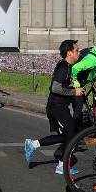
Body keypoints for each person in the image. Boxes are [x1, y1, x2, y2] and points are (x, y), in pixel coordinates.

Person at [23, 39, 84, 175]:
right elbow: (56, 88)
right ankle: (61, 165)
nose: (79, 53)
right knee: (71, 132)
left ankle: (33, 145)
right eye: (76, 50)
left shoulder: (68, 67)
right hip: (56, 107)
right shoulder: (63, 67)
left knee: (66, 136)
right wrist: (75, 91)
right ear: (69, 53)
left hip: (59, 106)